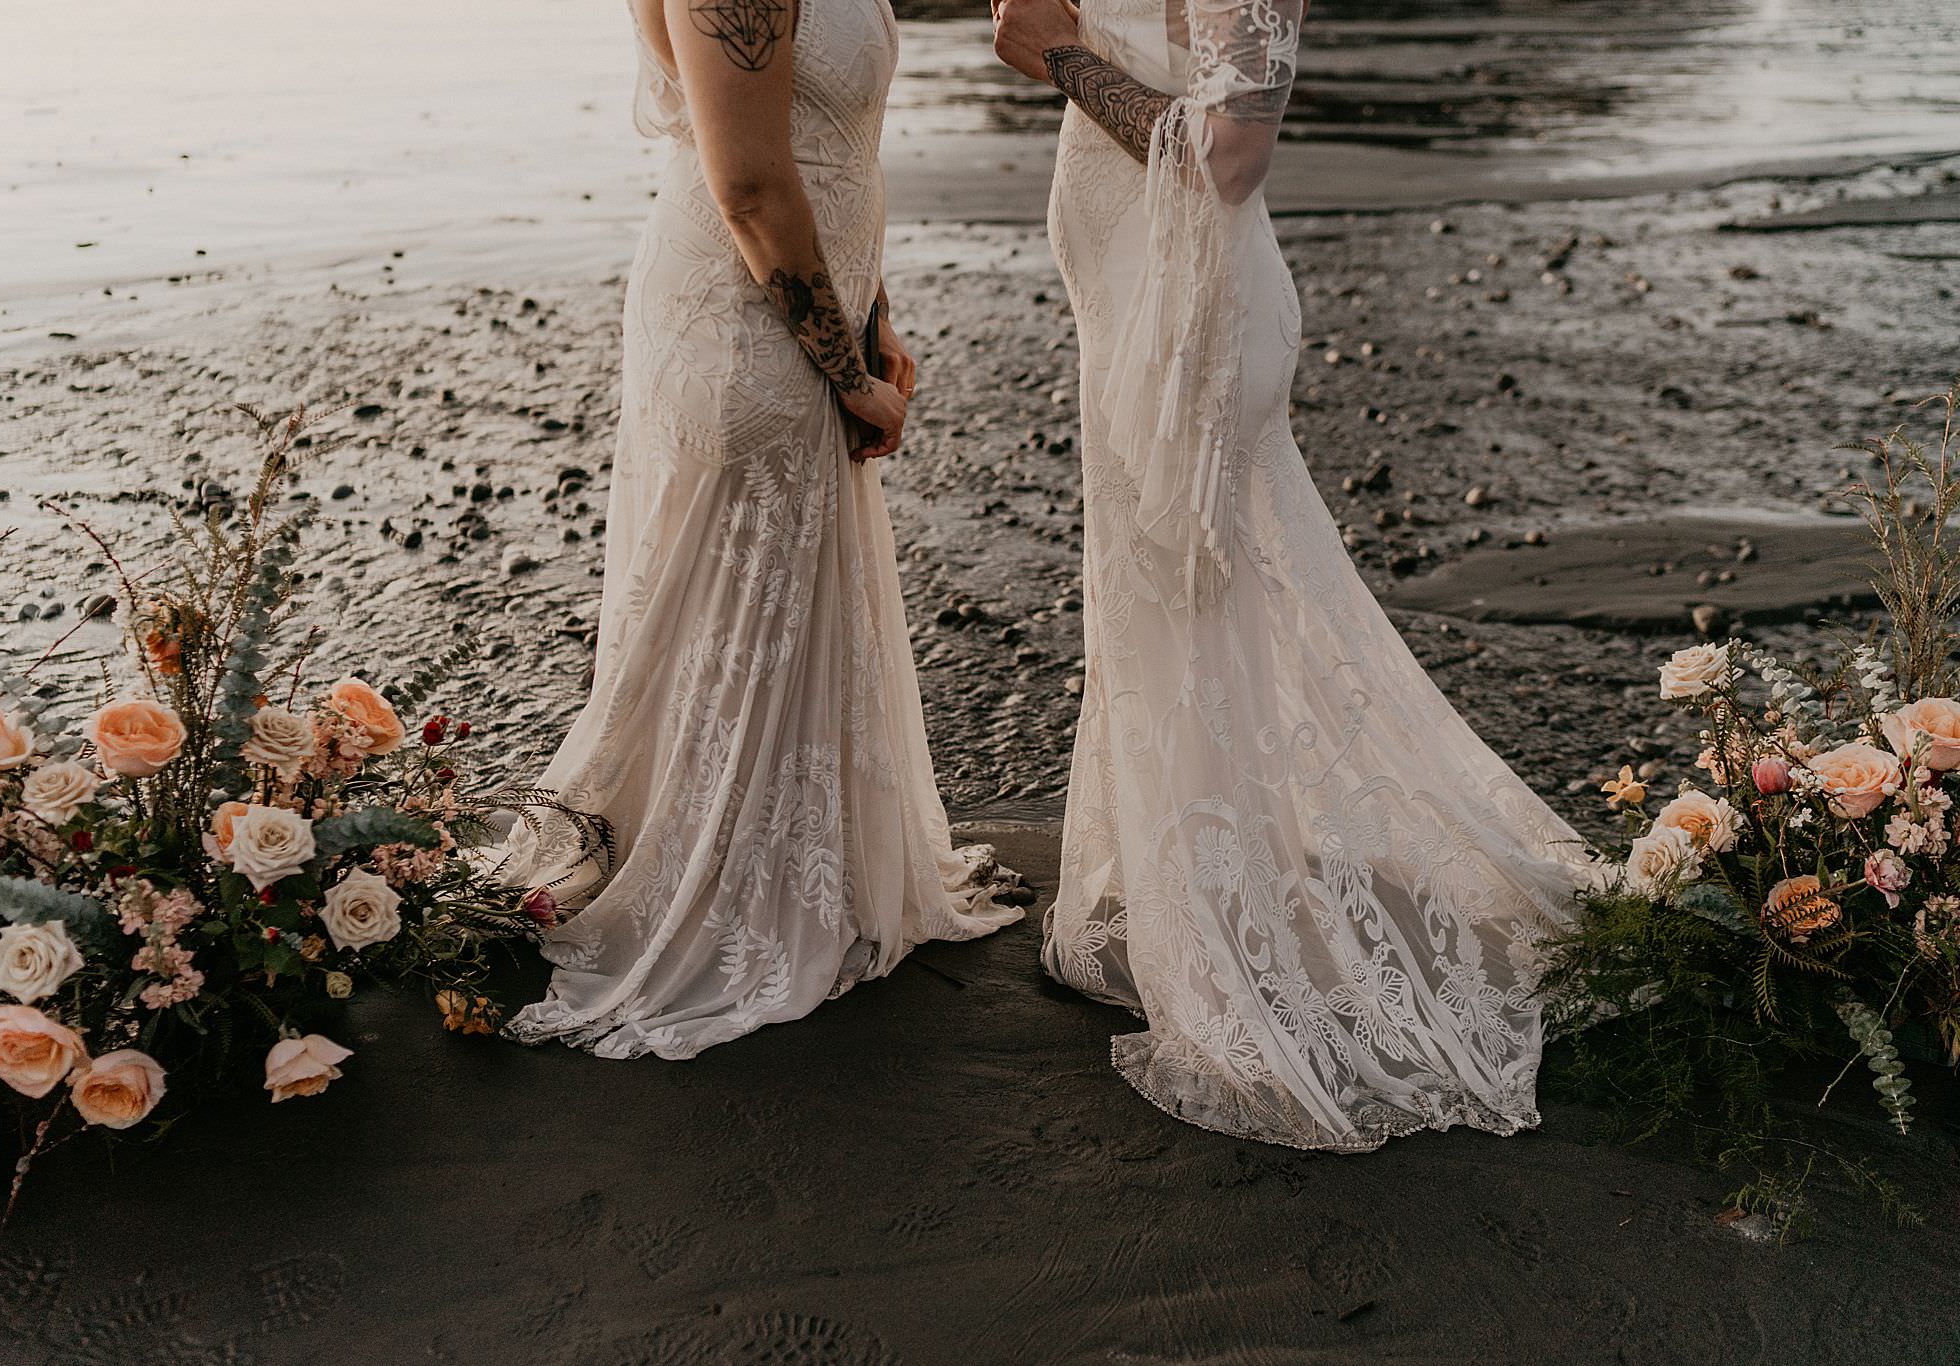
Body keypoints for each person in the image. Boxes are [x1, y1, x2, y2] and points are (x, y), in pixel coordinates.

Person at [993, 0, 1592, 1149]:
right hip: (1135, 313)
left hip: (1192, 330)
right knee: (1161, 618)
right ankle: (1200, 887)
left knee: (1196, 618)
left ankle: (1229, 935)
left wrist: (1056, 56)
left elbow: (1229, 149)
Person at [496, 0, 1021, 1060]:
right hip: (741, 327)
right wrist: (846, 373)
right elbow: (745, 181)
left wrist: (872, 316)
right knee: (735, 607)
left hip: (801, 306)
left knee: (779, 604)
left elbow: (831, 151)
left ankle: (793, 863)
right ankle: (720, 883)